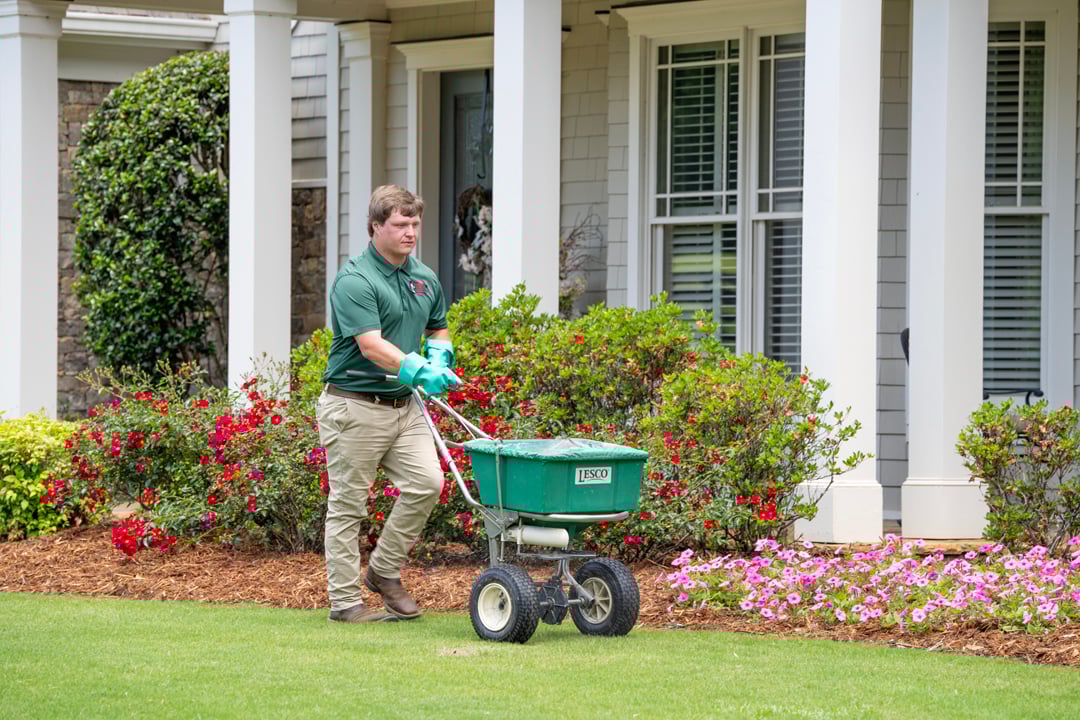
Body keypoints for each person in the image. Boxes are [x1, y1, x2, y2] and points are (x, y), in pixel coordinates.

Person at [317, 185, 461, 623]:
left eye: (415, 223)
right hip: (353, 405)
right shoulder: (355, 280)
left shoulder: (425, 277)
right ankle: (345, 605)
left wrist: (441, 354)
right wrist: (421, 370)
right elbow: (371, 346)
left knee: (428, 484)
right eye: (400, 224)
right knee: (348, 506)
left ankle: (382, 571)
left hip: (404, 408)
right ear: (376, 226)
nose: (410, 232)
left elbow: (437, 327)